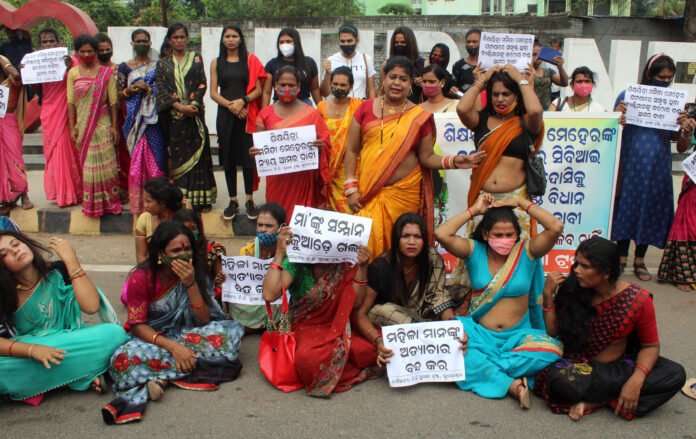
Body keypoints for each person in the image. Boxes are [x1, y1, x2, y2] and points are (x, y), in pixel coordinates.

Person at [344, 57, 485, 261]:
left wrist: (453, 161)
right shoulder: (364, 109)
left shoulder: (419, 116)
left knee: (401, 251)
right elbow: (351, 151)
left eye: (403, 79)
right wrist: (350, 188)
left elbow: (427, 157)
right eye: (393, 77)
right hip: (367, 194)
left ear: (411, 83)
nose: (397, 83)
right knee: (366, 253)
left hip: (404, 197)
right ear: (383, 79)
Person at [103, 222, 243, 424]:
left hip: (187, 333)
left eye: (187, 249)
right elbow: (137, 325)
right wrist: (175, 348)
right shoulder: (141, 277)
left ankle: (162, 376)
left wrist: (190, 283)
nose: (183, 255)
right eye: (176, 250)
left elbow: (204, 319)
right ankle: (191, 367)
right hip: (152, 340)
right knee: (122, 359)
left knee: (230, 333)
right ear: (161, 253)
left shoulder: (195, 271)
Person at [535, 237, 686, 421]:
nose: (576, 270)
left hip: (618, 369)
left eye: (585, 266)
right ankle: (612, 398)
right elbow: (553, 331)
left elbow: (650, 346)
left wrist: (636, 379)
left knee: (674, 374)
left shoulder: (638, 300)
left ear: (605, 273)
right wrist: (548, 296)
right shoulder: (572, 289)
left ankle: (601, 400)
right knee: (559, 381)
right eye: (577, 263)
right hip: (581, 369)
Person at [435, 193, 564, 407]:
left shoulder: (528, 251)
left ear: (516, 234)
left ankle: (489, 370)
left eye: (509, 234)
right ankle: (512, 384)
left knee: (552, 350)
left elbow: (555, 227)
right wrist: (474, 211)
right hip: (480, 333)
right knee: (450, 345)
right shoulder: (474, 250)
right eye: (498, 234)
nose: (504, 239)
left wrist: (522, 203)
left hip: (519, 337)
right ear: (486, 234)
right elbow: (441, 233)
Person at [0, 232, 128, 404]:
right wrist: (33, 350)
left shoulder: (58, 271)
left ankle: (45, 382)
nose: (15, 251)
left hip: (68, 341)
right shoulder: (4, 293)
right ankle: (80, 375)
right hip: (27, 352)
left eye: (16, 244)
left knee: (113, 334)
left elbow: (91, 306)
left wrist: (71, 260)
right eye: (4, 254)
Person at [262, 225, 378, 397]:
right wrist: (279, 254)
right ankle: (331, 370)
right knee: (308, 359)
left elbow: (357, 302)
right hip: (305, 325)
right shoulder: (297, 261)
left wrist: (362, 267)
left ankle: (335, 366)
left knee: (367, 350)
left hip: (338, 324)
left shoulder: (345, 263)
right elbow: (270, 294)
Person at [456, 64, 544, 240]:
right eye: (495, 94)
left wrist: (520, 79)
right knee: (481, 255)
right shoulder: (481, 120)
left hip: (515, 201)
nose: (500, 99)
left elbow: (535, 110)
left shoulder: (526, 124)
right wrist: (482, 80)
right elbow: (462, 109)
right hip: (483, 201)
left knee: (515, 259)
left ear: (516, 95)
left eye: (506, 94)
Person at [613, 53, 678, 281]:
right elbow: (611, 129)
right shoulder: (628, 96)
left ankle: (640, 259)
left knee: (650, 207)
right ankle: (620, 256)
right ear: (649, 75)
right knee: (626, 205)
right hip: (630, 162)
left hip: (657, 165)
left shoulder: (673, 103)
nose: (665, 81)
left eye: (669, 77)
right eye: (661, 76)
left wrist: (684, 126)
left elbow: (678, 140)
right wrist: (617, 118)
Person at [355, 213, 455, 342]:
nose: (412, 242)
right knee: (383, 310)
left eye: (417, 237)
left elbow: (438, 296)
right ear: (397, 240)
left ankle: (428, 332)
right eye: (405, 236)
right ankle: (427, 334)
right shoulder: (381, 267)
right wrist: (378, 340)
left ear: (424, 240)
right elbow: (361, 314)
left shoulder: (432, 258)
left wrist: (453, 327)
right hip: (389, 316)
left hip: (422, 315)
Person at [251, 65, 330, 219]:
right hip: (277, 181)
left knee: (301, 225)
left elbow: (325, 142)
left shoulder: (311, 114)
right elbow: (259, 148)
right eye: (282, 85)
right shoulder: (264, 114)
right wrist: (254, 152)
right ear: (275, 86)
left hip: (303, 180)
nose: (287, 89)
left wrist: (320, 147)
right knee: (277, 220)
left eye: (291, 85)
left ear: (299, 87)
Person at [156, 23, 216, 212]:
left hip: (195, 115)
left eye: (182, 37)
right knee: (180, 158)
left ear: (187, 38)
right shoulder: (163, 63)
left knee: (200, 157)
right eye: (176, 37)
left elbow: (201, 84)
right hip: (175, 118)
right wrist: (180, 107)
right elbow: (162, 90)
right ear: (170, 40)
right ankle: (182, 199)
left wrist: (193, 106)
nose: (179, 40)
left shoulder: (196, 58)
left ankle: (202, 199)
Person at [210, 25, 266, 221]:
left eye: (234, 36)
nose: (231, 39)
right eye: (228, 36)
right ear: (223, 40)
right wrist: (232, 106)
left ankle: (250, 200)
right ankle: (233, 200)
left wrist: (243, 101)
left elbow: (258, 89)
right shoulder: (216, 62)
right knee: (228, 158)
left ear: (240, 39)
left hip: (246, 114)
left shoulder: (249, 60)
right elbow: (213, 93)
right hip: (226, 115)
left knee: (248, 157)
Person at [67, 34, 123, 217]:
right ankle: (93, 205)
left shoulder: (106, 73)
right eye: (82, 51)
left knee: (108, 165)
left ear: (95, 52)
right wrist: (72, 127)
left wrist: (115, 126)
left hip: (104, 123)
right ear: (77, 53)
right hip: (83, 126)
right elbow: (70, 102)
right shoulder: (73, 73)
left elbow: (113, 101)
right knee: (90, 167)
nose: (86, 54)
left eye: (90, 51)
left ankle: (110, 203)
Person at [118, 29, 168, 214]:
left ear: (150, 43)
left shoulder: (158, 65)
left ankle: (160, 205)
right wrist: (131, 90)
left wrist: (150, 88)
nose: (142, 43)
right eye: (138, 40)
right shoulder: (124, 68)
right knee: (136, 165)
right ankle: (140, 207)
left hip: (154, 122)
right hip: (135, 123)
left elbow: (165, 90)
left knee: (158, 161)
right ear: (132, 43)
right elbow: (118, 95)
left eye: (145, 40)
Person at [36, 28, 82, 208]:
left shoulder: (71, 61)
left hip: (67, 109)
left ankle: (73, 192)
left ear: (59, 42)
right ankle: (60, 192)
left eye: (51, 41)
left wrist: (71, 67)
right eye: (44, 42)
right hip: (49, 110)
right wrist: (28, 72)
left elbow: (81, 81)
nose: (48, 44)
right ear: (40, 45)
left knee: (67, 148)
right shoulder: (37, 62)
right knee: (53, 151)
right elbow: (38, 91)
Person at [231, 202, 286, 330]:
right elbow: (242, 280)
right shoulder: (248, 250)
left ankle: (258, 325)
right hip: (255, 295)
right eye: (260, 225)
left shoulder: (288, 251)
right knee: (236, 303)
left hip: (276, 294)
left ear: (281, 227)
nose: (263, 229)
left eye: (269, 226)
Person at [658, 110, 696, 291]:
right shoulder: (693, 117)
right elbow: (682, 148)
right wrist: (687, 132)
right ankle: (682, 274)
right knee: (689, 223)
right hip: (694, 179)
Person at [317, 66, 362, 213]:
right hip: (326, 166)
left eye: (343, 85)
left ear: (351, 86)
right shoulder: (321, 107)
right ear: (330, 84)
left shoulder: (359, 106)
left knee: (349, 211)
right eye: (335, 84)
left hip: (349, 168)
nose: (338, 87)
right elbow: (316, 133)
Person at [95, 33, 130, 203]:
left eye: (107, 49)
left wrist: (115, 96)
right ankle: (102, 190)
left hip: (119, 115)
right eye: (101, 50)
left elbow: (124, 93)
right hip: (96, 117)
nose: (104, 52)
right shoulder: (90, 71)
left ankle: (123, 187)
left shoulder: (118, 70)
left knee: (121, 151)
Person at [0, 52, 31, 215]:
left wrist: (3, 61)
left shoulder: (11, 81)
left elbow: (16, 75)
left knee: (15, 157)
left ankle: (23, 193)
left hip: (8, 121)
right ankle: (4, 199)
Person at [173, 208, 226, 303]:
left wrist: (221, 281)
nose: (190, 233)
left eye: (193, 228)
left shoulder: (212, 249)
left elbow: (221, 283)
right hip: (176, 301)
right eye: (185, 229)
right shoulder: (171, 252)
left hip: (209, 300)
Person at [262, 28, 320, 107]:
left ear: (296, 43)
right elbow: (266, 92)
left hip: (303, 106)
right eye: (281, 42)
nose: (284, 44)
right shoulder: (272, 64)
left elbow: (315, 89)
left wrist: (321, 110)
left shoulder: (309, 63)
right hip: (279, 106)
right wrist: (264, 114)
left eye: (288, 41)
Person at [134, 177, 184, 265]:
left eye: (148, 201)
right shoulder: (144, 219)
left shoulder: (184, 218)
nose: (145, 205)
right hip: (155, 271)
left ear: (162, 203)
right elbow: (141, 257)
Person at [320, 23, 376, 100]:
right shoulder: (331, 60)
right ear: (338, 41)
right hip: (339, 109)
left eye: (349, 41)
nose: (346, 44)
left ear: (357, 40)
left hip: (360, 107)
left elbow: (371, 89)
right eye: (342, 41)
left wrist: (370, 108)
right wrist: (327, 73)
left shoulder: (366, 59)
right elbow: (324, 93)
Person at [380, 27, 425, 103]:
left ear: (410, 43)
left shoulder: (424, 64)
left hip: (416, 109)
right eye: (396, 42)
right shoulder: (386, 64)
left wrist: (425, 83)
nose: (399, 45)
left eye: (402, 42)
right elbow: (381, 90)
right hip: (392, 108)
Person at [531, 40, 568, 111]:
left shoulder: (548, 72)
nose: (538, 57)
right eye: (534, 54)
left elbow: (564, 83)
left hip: (546, 112)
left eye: (540, 54)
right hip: (527, 112)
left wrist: (560, 67)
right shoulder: (521, 73)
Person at [451, 29, 482, 94]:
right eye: (468, 42)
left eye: (474, 41)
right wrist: (453, 90)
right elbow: (453, 86)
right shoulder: (458, 65)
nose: (471, 44)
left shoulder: (489, 65)